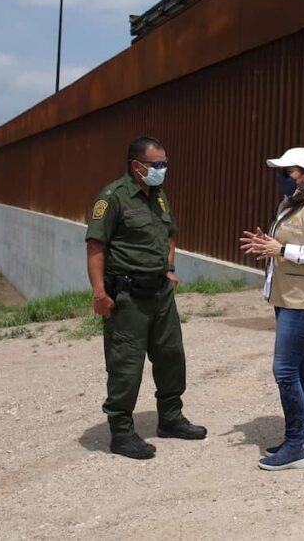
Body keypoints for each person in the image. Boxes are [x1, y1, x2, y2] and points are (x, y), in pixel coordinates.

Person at [85, 135, 206, 460]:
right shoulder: (112, 198)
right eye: (157, 164)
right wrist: (99, 292)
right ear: (137, 166)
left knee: (171, 356)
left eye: (164, 163)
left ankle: (171, 418)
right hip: (128, 296)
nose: (163, 169)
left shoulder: (159, 197)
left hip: (161, 293)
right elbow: (96, 246)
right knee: (126, 365)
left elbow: (168, 235)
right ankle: (122, 433)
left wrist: (168, 267)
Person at [239, 147, 304, 471]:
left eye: (288, 171)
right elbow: (287, 244)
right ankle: (300, 439)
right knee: (299, 366)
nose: (282, 177)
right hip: (290, 294)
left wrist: (282, 248)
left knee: (284, 370)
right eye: (281, 171)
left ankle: (295, 445)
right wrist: (268, 245)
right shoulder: (292, 202)